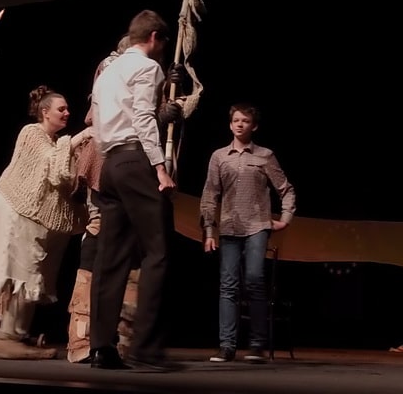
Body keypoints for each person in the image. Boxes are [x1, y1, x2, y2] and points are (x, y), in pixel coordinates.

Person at [67, 34, 185, 364]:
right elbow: (136, 115)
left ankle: (106, 344)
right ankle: (103, 342)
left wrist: (167, 92)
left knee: (115, 254)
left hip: (113, 162)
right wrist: (158, 163)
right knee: (124, 249)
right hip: (124, 158)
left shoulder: (119, 70)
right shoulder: (120, 66)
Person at [0, 85, 92, 360]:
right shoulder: (31, 133)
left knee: (34, 272)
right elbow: (51, 164)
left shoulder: (56, 143)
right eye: (61, 109)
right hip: (15, 208)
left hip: (29, 215)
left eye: (67, 109)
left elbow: (63, 177)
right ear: (45, 112)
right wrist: (80, 138)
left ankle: (15, 334)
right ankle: (6, 337)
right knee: (23, 270)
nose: (67, 113)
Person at [200, 103, 296, 363]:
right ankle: (227, 345)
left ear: (254, 126)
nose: (240, 124)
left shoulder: (265, 155)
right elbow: (210, 194)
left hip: (257, 226)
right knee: (228, 284)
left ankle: (256, 344)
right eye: (236, 120)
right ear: (230, 124)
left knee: (254, 278)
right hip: (229, 226)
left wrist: (285, 219)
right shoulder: (219, 157)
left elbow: (286, 189)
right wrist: (209, 230)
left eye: (245, 121)